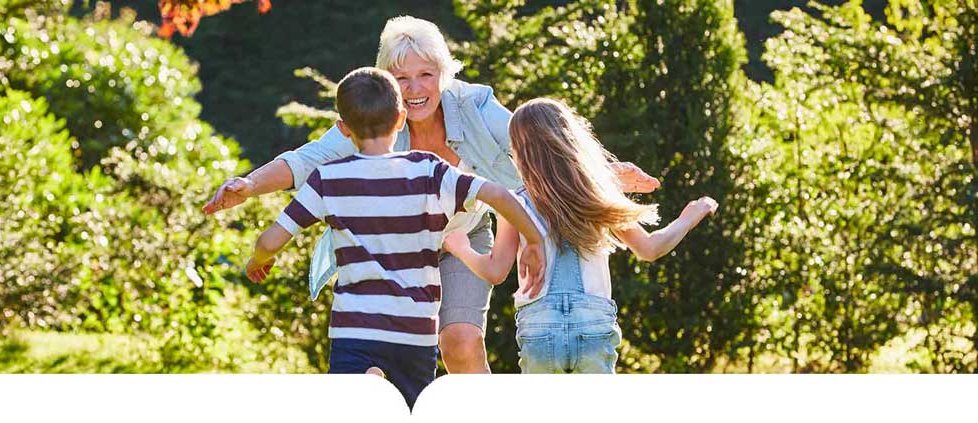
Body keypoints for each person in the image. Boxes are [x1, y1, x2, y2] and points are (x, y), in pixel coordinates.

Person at [203, 16, 659, 373]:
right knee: (384, 356)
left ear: (445, 72)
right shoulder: (375, 116)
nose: (416, 89)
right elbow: (307, 160)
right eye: (402, 78)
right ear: (385, 81)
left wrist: (605, 172)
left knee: (459, 341)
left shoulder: (476, 106)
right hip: (395, 245)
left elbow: (541, 148)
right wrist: (248, 185)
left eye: (427, 74)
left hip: (464, 237)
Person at [243, 67, 546, 405]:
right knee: (411, 407)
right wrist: (532, 240)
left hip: (354, 330)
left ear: (343, 129)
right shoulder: (430, 172)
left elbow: (269, 241)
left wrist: (258, 261)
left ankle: (369, 382)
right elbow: (500, 195)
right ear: (401, 119)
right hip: (414, 332)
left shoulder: (328, 180)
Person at [442, 98, 718, 373]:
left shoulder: (514, 203)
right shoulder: (594, 196)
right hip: (593, 325)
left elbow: (495, 271)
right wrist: (689, 216)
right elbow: (650, 249)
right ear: (571, 140)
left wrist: (461, 247)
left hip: (540, 328)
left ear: (517, 152)